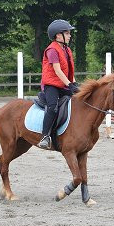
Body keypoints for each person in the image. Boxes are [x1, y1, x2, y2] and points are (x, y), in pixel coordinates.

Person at [38, 19, 79, 150]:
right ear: (58, 35)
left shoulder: (67, 50)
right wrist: (69, 84)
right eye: (67, 33)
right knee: (52, 107)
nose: (70, 35)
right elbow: (57, 70)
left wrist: (74, 83)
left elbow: (69, 70)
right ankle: (45, 136)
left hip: (64, 84)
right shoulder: (52, 50)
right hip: (51, 85)